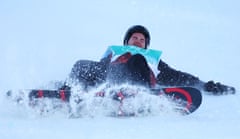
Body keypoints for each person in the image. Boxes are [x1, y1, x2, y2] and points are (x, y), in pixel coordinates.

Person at [62, 25, 235, 95]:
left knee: (136, 59)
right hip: (111, 79)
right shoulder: (115, 52)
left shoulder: (150, 59)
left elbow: (174, 75)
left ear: (146, 45)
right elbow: (99, 68)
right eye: (134, 38)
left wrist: (205, 85)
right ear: (127, 42)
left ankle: (137, 94)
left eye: (141, 40)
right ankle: (69, 90)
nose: (138, 41)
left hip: (137, 81)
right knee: (81, 64)